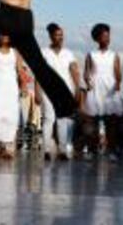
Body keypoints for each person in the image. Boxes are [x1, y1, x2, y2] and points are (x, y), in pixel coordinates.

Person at [38, 23, 80, 161]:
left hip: (65, 90)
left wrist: (77, 89)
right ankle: (46, 150)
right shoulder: (44, 52)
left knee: (63, 119)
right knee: (49, 119)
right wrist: (37, 91)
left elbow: (74, 71)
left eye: (61, 35)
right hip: (48, 89)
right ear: (51, 36)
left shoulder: (68, 53)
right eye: (57, 35)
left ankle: (62, 150)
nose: (60, 38)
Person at [82, 24, 123, 160]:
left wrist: (117, 83)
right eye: (104, 36)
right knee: (91, 123)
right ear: (97, 38)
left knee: (111, 122)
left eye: (108, 35)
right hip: (95, 89)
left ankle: (111, 151)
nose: (107, 38)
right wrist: (88, 82)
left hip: (110, 90)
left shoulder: (114, 55)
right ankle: (92, 150)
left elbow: (118, 73)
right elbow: (86, 72)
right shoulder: (91, 54)